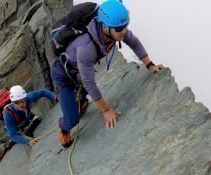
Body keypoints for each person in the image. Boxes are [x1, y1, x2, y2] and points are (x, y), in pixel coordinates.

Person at [51, 0, 164, 147]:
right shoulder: (86, 47)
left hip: (78, 71)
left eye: (126, 26)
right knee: (73, 119)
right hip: (63, 76)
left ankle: (81, 101)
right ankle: (63, 127)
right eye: (119, 29)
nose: (123, 31)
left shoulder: (114, 30)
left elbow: (134, 42)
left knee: (84, 90)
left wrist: (150, 65)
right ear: (104, 27)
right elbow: (89, 83)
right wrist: (106, 110)